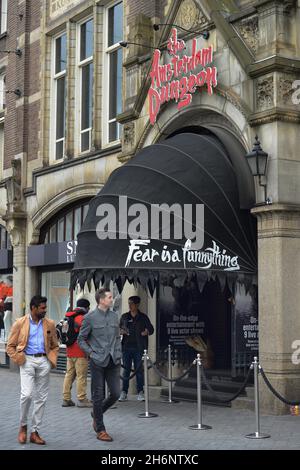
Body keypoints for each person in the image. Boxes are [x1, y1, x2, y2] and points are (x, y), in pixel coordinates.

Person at [6, 295, 59, 445]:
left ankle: (35, 432)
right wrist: (19, 359)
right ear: (33, 308)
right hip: (27, 360)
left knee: (41, 398)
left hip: (43, 361)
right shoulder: (20, 323)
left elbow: (55, 345)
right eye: (42, 308)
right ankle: (23, 426)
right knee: (27, 395)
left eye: (45, 307)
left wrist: (51, 360)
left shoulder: (49, 323)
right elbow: (10, 346)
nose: (45, 310)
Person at [77, 288, 121, 442]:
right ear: (101, 300)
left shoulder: (115, 316)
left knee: (116, 393)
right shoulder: (90, 318)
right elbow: (81, 339)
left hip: (113, 360)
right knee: (98, 395)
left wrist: (118, 352)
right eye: (109, 297)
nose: (111, 299)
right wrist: (91, 353)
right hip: (97, 361)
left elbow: (117, 337)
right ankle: (100, 429)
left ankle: (97, 413)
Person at [119, 296, 154, 402]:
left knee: (139, 371)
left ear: (137, 305)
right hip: (126, 347)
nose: (130, 305)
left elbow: (151, 329)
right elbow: (118, 329)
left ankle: (140, 392)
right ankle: (124, 392)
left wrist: (146, 332)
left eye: (132, 303)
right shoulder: (124, 316)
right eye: (129, 303)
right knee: (126, 370)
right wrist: (121, 331)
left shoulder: (143, 317)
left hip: (139, 348)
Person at [62, 298, 93, 408]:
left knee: (69, 374)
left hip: (69, 350)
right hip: (80, 351)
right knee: (81, 376)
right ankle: (82, 399)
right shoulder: (81, 318)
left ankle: (66, 399)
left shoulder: (69, 316)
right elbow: (88, 332)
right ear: (86, 307)